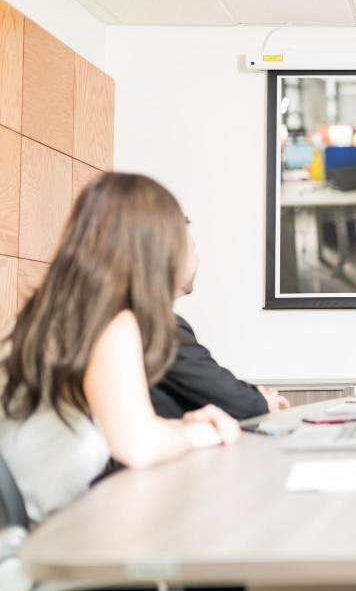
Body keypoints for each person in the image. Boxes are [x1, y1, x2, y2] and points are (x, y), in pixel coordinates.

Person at [0, 173, 240, 524]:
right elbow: (136, 445)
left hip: (35, 532)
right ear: (152, 248)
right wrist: (204, 432)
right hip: (48, 547)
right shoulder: (111, 323)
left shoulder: (40, 317)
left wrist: (181, 426)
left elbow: (131, 428)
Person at [151, 222, 288, 420]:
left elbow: (207, 387)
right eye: (192, 252)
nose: (198, 260)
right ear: (170, 259)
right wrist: (260, 401)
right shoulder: (161, 328)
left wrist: (253, 395)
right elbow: (233, 400)